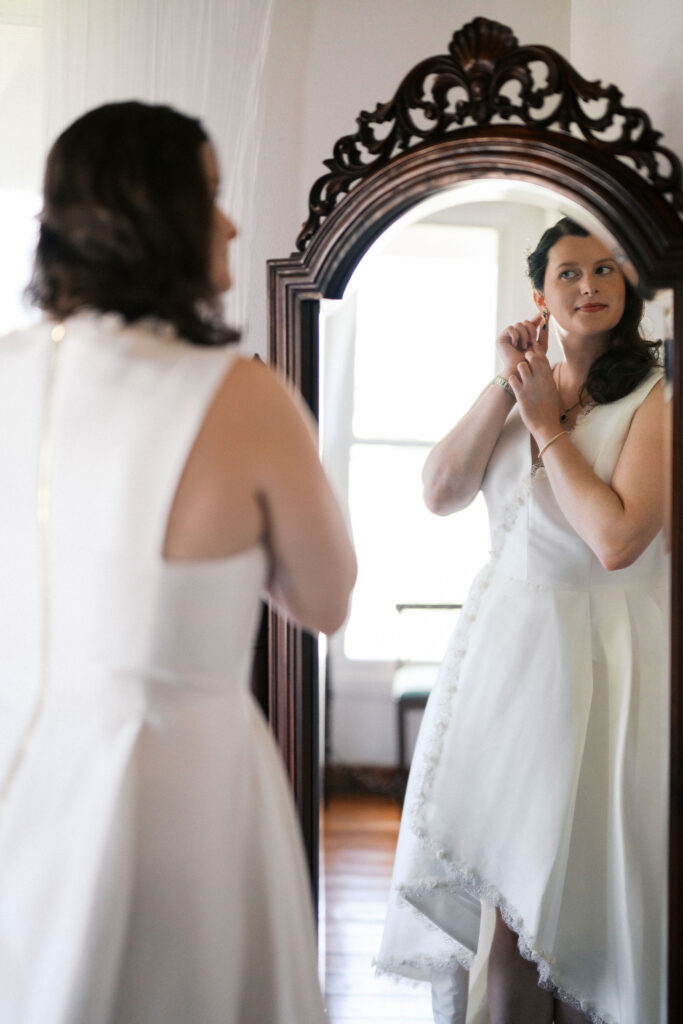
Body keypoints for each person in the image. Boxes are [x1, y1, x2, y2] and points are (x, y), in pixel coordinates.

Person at [0, 101, 357, 1024]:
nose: (230, 221)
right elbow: (323, 600)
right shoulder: (243, 397)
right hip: (179, 795)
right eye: (210, 194)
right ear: (153, 213)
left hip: (19, 777)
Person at [376, 218, 667, 1024]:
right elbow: (440, 490)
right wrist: (508, 384)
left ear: (629, 289)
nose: (589, 285)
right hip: (505, 675)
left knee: (578, 908)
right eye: (568, 273)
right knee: (502, 912)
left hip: (604, 666)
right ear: (539, 296)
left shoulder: (655, 401)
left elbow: (615, 539)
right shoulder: (520, 391)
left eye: (606, 270)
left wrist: (546, 425)